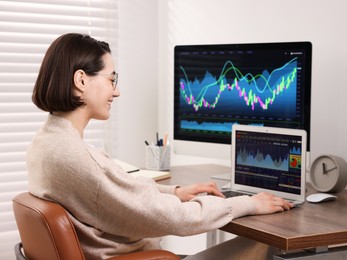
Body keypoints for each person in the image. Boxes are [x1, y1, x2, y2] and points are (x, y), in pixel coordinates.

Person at [26, 33, 293, 260]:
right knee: (264, 244)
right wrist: (248, 204)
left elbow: (118, 190)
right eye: (111, 80)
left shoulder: (46, 143)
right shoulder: (77, 158)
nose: (116, 92)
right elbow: (176, 219)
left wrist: (175, 191)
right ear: (81, 80)